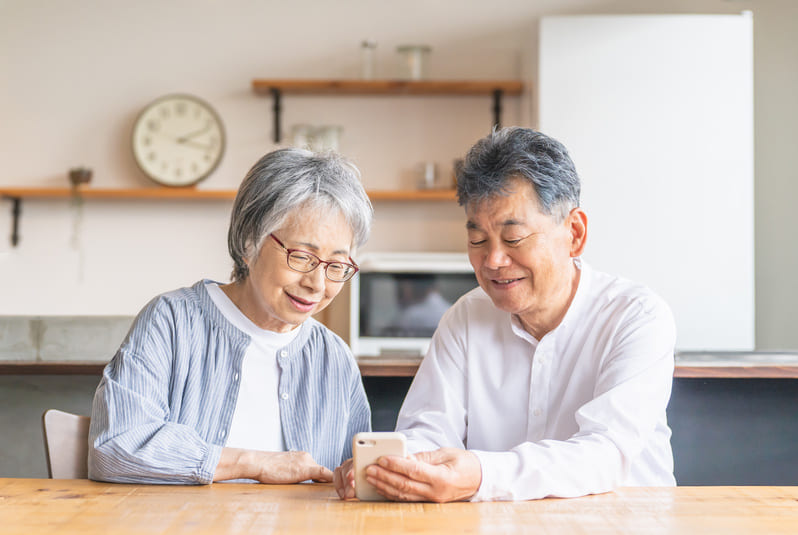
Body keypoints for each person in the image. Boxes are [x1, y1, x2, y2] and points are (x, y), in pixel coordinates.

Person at [334, 127, 676, 502]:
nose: (493, 261)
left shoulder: (636, 317)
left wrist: (481, 475)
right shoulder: (466, 316)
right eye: (478, 240)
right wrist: (396, 468)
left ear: (574, 233)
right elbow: (428, 431)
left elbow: (606, 453)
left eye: (513, 239)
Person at [89, 148, 373, 485]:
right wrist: (255, 463)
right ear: (249, 240)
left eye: (337, 266)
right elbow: (115, 447)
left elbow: (356, 472)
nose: (317, 284)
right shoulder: (171, 322)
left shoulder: (333, 357)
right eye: (301, 257)